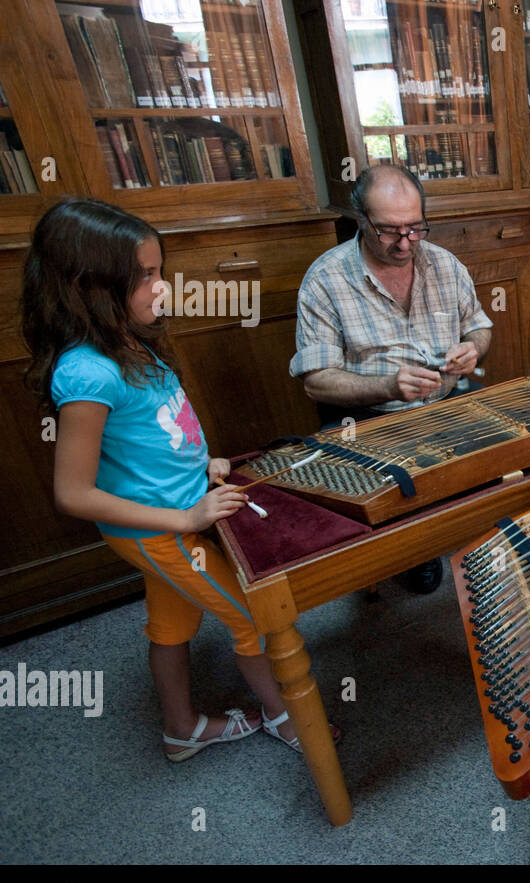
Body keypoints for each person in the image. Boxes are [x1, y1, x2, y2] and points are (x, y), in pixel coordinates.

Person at [21, 198, 337, 761]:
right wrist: (184, 519)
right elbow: (73, 493)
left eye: (159, 271)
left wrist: (204, 465)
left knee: (170, 624)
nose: (162, 287)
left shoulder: (128, 340)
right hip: (160, 531)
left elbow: (155, 436)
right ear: (88, 285)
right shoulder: (88, 372)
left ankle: (181, 727)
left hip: (175, 515)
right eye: (145, 276)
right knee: (253, 617)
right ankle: (289, 718)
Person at [291, 163, 493, 592]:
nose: (406, 243)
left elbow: (480, 327)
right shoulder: (325, 279)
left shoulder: (444, 264)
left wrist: (472, 347)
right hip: (369, 416)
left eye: (416, 228)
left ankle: (473, 533)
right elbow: (315, 380)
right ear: (360, 220)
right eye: (389, 231)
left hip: (445, 401)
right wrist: (388, 386)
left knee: (515, 449)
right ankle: (415, 543)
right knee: (399, 494)